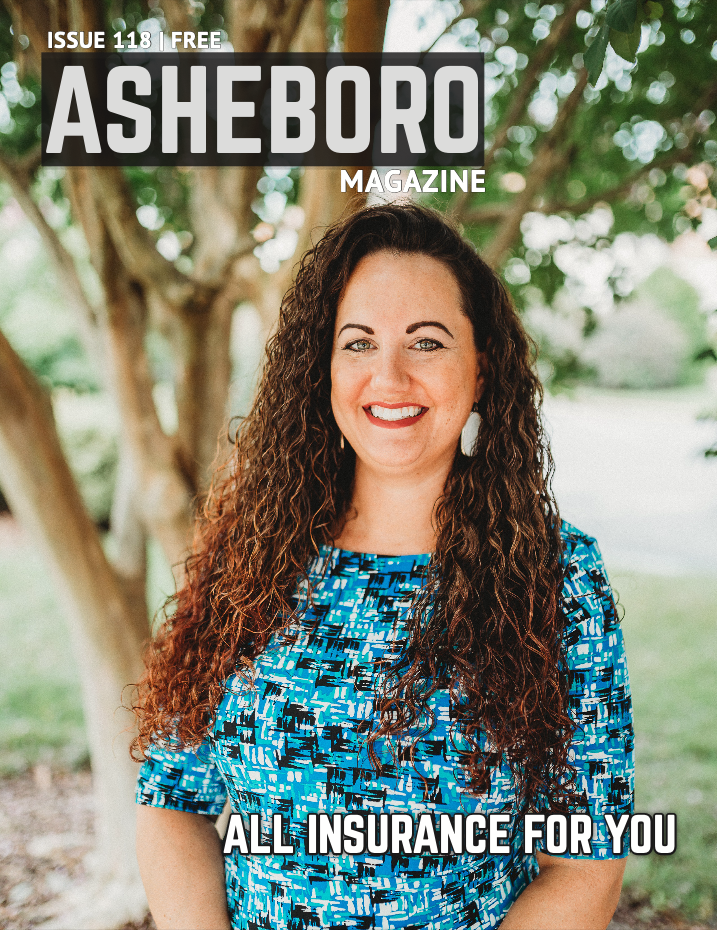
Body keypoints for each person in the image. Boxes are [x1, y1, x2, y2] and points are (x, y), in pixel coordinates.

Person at [132, 202, 634, 930]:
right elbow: (174, 803)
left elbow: (584, 860)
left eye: (425, 342)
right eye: (358, 343)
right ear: (323, 368)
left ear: (481, 368)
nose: (388, 375)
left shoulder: (557, 578)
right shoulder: (250, 556)